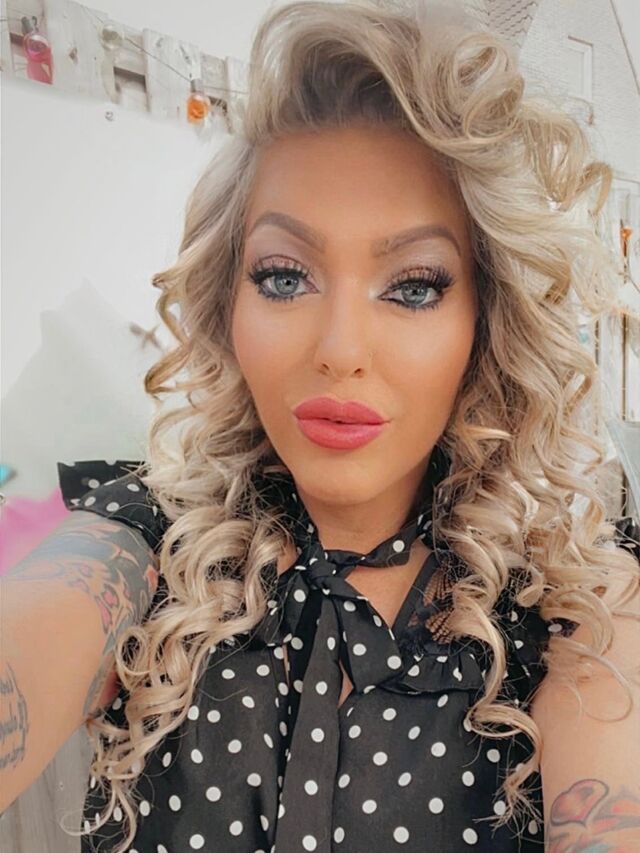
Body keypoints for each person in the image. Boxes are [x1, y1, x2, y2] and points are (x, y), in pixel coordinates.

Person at [2, 1, 639, 850]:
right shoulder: (147, 541)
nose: (340, 350)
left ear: (484, 323)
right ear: (228, 306)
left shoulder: (572, 601)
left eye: (414, 286)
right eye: (283, 276)